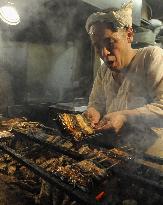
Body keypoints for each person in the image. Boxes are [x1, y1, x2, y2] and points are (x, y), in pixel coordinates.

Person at [84, 1, 163, 135]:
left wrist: (125, 117)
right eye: (97, 46)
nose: (104, 53)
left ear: (129, 35)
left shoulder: (150, 57)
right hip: (118, 151)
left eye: (110, 42)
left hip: (153, 151)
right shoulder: (104, 71)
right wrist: (93, 112)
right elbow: (96, 104)